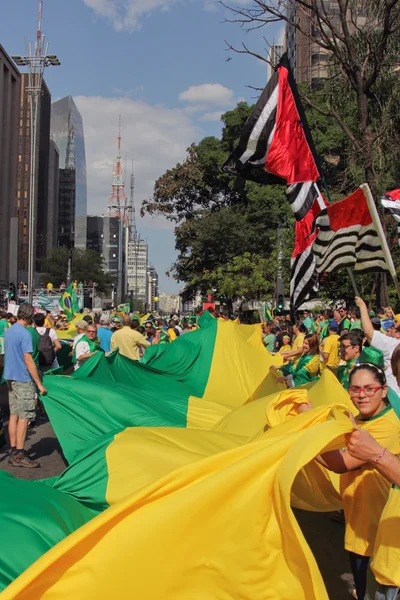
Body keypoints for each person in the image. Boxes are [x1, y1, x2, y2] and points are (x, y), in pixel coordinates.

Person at [308, 364, 400, 600]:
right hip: (360, 520)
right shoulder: (360, 419)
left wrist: (308, 434)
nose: (362, 395)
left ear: (384, 390)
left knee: (371, 585)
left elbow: (339, 463)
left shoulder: (387, 425)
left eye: (370, 389)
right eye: (355, 389)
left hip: (375, 529)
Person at [4, 303, 47, 468]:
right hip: (22, 378)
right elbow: (28, 360)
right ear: (30, 317)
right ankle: (20, 454)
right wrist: (39, 384)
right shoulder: (26, 334)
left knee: (14, 415)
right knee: (25, 416)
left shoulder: (10, 331)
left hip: (10, 377)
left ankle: (14, 450)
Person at [356, 296, 400, 397]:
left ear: (398, 334)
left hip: (394, 401)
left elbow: (368, 332)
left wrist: (362, 306)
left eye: (394, 327)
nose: (390, 327)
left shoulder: (393, 345)